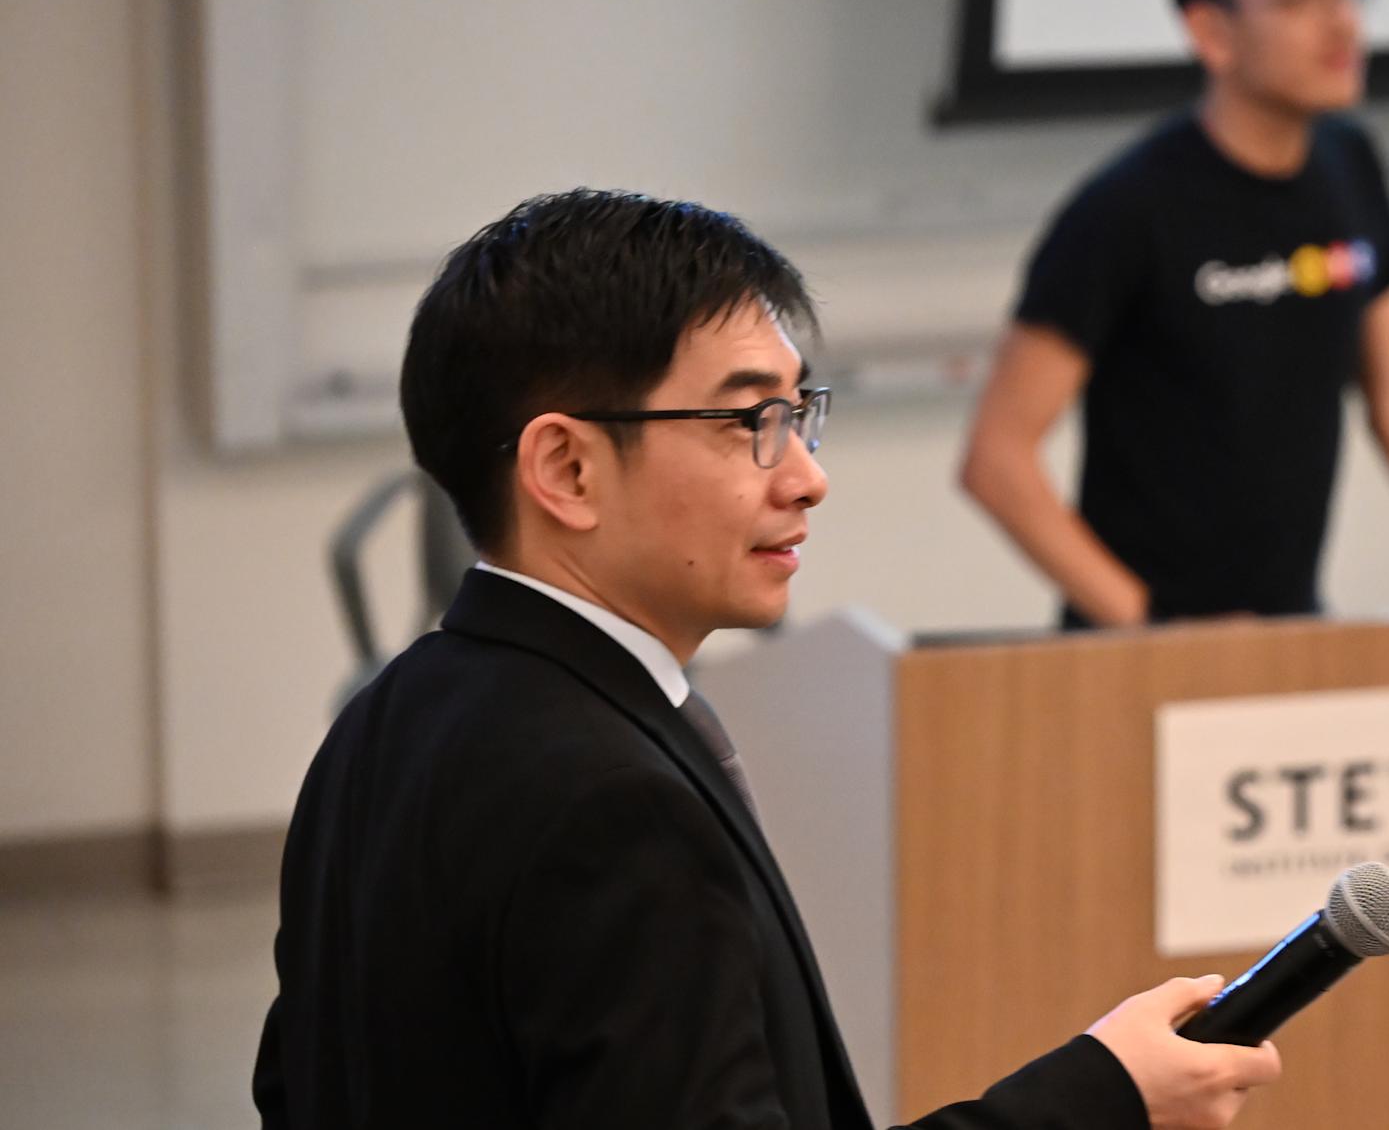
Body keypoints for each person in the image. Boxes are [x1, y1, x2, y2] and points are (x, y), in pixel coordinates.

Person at [253, 190, 1281, 1129]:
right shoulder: (614, 805)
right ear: (566, 467)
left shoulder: (385, 716)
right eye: (750, 421)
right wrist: (1104, 1096)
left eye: (799, 416)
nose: (805, 478)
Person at [960, 0, 1389, 627]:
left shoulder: (1348, 165)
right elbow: (997, 461)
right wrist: (1155, 628)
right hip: (1138, 652)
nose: (1343, 23)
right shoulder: (1129, 207)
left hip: (1288, 630)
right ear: (1211, 32)